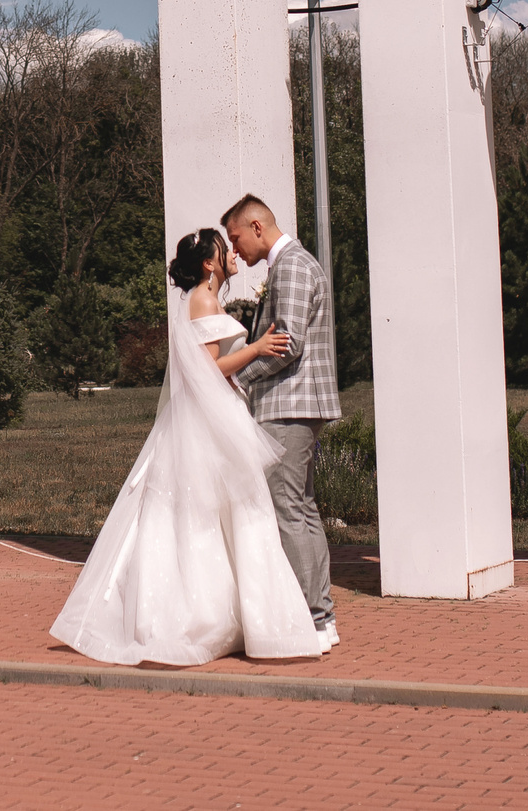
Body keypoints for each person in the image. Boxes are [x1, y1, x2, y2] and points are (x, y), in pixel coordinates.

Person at [48, 228, 330, 666]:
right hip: (207, 421)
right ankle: (204, 618)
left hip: (221, 414)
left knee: (235, 514)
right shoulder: (202, 299)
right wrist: (257, 348)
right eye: (224, 248)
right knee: (214, 514)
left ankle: (245, 618)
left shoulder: (209, 299)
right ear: (209, 264)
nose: (232, 253)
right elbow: (209, 368)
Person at [224, 193, 340, 644]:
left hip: (289, 405)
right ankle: (321, 618)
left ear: (257, 227)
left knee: (289, 510)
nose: (235, 251)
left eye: (236, 238)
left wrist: (241, 379)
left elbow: (287, 343)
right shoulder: (293, 264)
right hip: (296, 404)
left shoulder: (290, 265)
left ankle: (314, 619)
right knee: (302, 509)